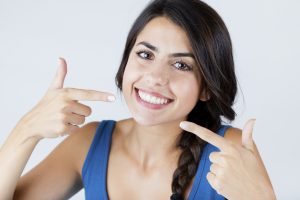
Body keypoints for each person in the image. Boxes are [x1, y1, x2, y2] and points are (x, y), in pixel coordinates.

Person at [0, 0, 277, 199]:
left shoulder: (229, 152)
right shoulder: (89, 144)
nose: (156, 77)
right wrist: (27, 130)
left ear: (207, 87)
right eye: (145, 55)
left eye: (181, 65)